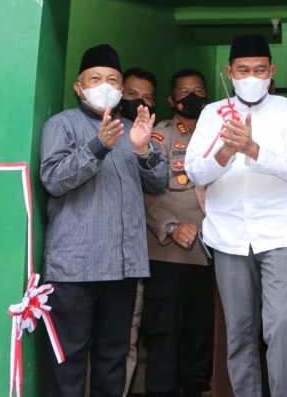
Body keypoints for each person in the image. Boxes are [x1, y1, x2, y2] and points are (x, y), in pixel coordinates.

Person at [185, 34, 287, 397]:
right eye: (243, 70)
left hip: (281, 234)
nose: (251, 77)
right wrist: (227, 152)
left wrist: (253, 149)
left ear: (272, 71)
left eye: (259, 69)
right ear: (229, 72)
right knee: (240, 332)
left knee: (283, 323)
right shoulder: (213, 114)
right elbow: (195, 171)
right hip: (229, 236)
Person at [40, 44, 168, 397]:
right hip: (74, 269)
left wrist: (142, 149)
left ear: (121, 88)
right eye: (95, 78)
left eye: (112, 79)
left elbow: (159, 183)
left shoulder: (132, 129)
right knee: (67, 362)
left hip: (122, 268)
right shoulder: (62, 124)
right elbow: (54, 180)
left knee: (113, 359)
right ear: (79, 88)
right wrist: (97, 146)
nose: (104, 85)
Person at [141, 68, 214, 397]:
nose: (192, 96)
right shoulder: (161, 135)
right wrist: (171, 227)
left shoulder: (219, 135)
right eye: (184, 92)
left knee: (201, 336)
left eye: (198, 90)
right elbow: (145, 193)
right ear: (172, 100)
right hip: (169, 255)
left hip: (210, 256)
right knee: (165, 338)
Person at [117, 65, 157, 396]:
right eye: (131, 94)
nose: (138, 102)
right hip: (87, 261)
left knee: (126, 338)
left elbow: (160, 185)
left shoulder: (150, 139)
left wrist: (143, 148)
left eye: (146, 98)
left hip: (132, 258)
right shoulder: (89, 130)